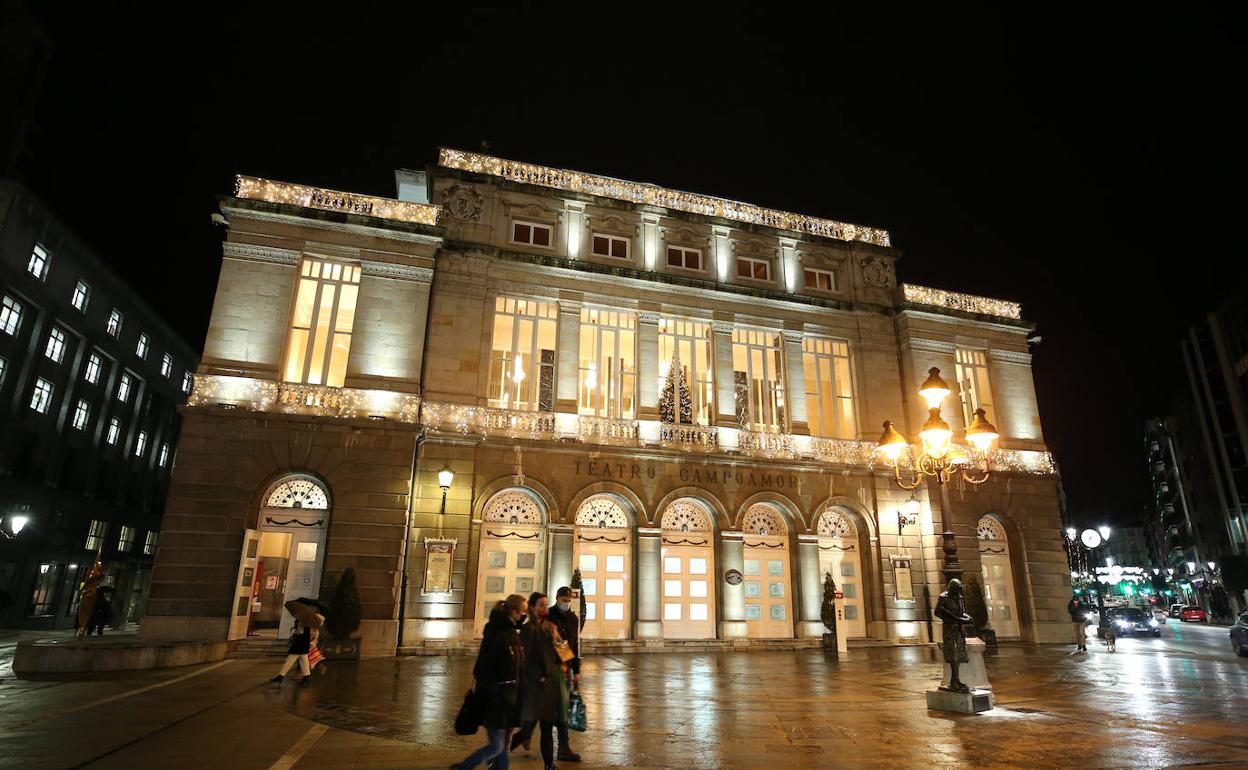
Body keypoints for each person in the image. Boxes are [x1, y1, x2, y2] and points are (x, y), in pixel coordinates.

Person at [452, 593, 527, 770]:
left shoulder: (512, 633)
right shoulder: (496, 633)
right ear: (514, 612)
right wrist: (495, 693)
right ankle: (464, 767)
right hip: (498, 701)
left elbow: (517, 666)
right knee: (497, 746)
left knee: (503, 746)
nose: (524, 616)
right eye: (523, 612)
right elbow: (482, 668)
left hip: (511, 699)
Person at [511, 592, 568, 770]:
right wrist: (537, 676)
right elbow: (524, 660)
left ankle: (549, 765)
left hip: (550, 686)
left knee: (547, 728)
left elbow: (563, 651)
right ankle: (498, 754)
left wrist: (565, 660)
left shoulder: (551, 627)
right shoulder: (528, 630)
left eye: (546, 604)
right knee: (527, 729)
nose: (545, 608)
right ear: (532, 608)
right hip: (536, 687)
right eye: (541, 605)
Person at [547, 587, 582, 763]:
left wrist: (576, 671)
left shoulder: (573, 619)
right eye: (563, 600)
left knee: (562, 709)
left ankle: (563, 746)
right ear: (557, 599)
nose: (566, 603)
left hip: (565, 668)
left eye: (568, 601)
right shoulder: (548, 616)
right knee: (548, 709)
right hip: (550, 668)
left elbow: (574, 646)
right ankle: (525, 732)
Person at [933, 578, 973, 693]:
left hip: (959, 629)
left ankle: (956, 680)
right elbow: (938, 612)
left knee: (960, 654)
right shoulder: (943, 597)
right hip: (949, 629)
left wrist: (966, 617)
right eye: (957, 589)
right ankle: (954, 681)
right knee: (953, 655)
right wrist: (954, 619)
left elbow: (962, 611)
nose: (959, 592)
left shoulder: (959, 597)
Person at [270, 613, 322, 686]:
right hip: (301, 645)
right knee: (303, 662)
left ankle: (281, 676)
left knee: (291, 660)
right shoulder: (301, 622)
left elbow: (305, 633)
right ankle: (306, 678)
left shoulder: (306, 623)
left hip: (301, 645)